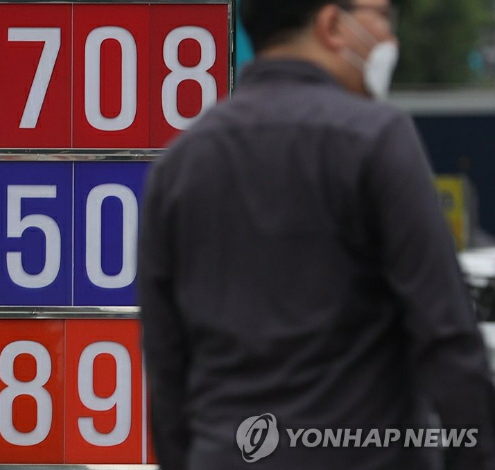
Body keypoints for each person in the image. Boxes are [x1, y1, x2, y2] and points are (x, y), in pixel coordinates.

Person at [138, 0, 495, 469]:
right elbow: (446, 334)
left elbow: (165, 364)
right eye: (382, 16)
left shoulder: (179, 165)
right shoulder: (377, 139)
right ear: (332, 25)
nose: (390, 39)